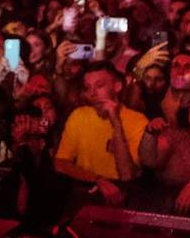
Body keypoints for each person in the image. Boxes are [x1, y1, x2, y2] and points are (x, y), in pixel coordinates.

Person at [51, 65, 148, 205]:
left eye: (99, 86)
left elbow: (127, 175)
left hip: (123, 192)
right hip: (87, 187)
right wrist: (97, 179)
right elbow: (60, 163)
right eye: (88, 88)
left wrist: (116, 123)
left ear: (117, 87)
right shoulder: (79, 115)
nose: (92, 93)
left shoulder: (138, 120)